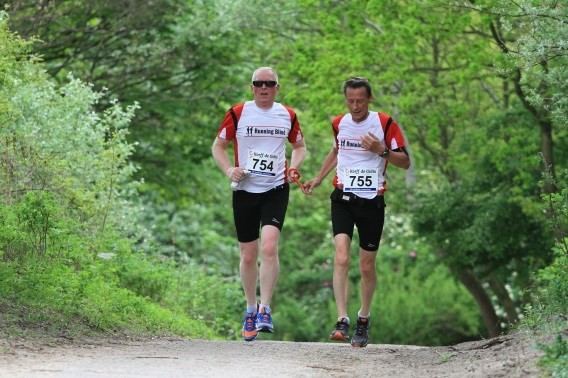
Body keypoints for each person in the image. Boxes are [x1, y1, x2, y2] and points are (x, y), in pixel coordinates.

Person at [303, 76, 410, 348]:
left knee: (366, 265)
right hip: (342, 198)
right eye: (350, 101)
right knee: (341, 257)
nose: (355, 106)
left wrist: (381, 150)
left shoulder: (385, 123)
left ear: (369, 99)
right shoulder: (339, 123)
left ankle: (363, 318)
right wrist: (318, 177)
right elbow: (337, 149)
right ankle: (342, 319)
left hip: (372, 202)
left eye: (360, 101)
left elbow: (405, 162)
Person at [211, 67, 306, 341]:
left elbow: (300, 147)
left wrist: (294, 168)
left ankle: (265, 308)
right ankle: (250, 309)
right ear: (252, 87)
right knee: (249, 255)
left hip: (276, 189)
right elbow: (218, 147)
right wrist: (230, 170)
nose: (264, 87)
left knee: (269, 247)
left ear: (277, 87)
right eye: (258, 83)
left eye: (269, 83)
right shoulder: (238, 112)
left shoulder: (287, 114)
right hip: (244, 191)